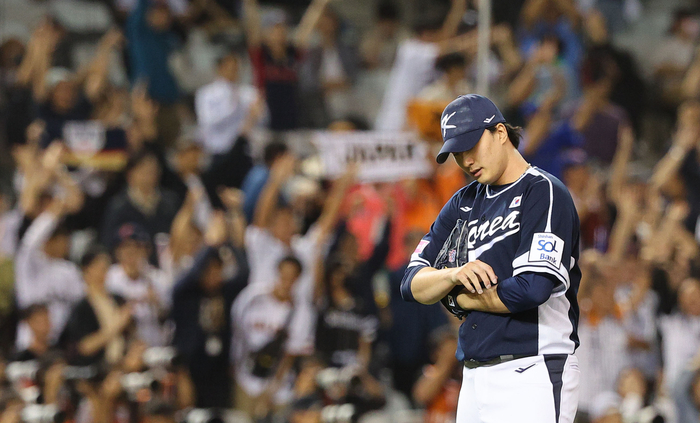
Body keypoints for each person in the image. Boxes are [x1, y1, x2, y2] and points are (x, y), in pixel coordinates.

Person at [400, 94, 581, 422]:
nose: (466, 160)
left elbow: (532, 288)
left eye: (471, 146)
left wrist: (459, 299)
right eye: (457, 153)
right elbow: (411, 283)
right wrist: (452, 276)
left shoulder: (542, 191)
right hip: (473, 375)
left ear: (500, 133)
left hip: (533, 368)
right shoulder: (463, 202)